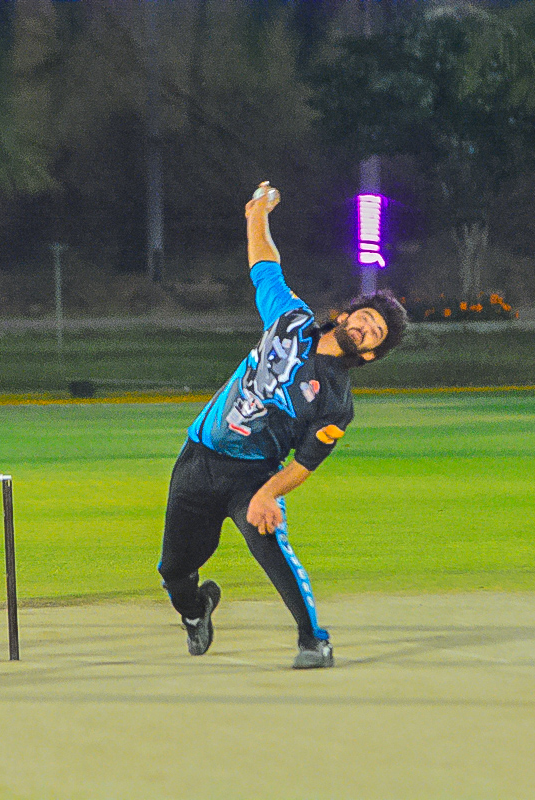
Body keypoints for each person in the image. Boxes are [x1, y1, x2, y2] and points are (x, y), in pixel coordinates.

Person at [158, 182, 408, 669]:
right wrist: (257, 212)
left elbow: (305, 464)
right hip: (198, 457)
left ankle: (314, 642)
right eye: (364, 319)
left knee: (273, 551)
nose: (364, 329)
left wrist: (268, 495)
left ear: (370, 354)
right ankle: (196, 610)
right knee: (173, 571)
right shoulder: (291, 320)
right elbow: (264, 266)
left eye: (374, 334)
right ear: (345, 315)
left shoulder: (336, 403)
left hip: (253, 477)